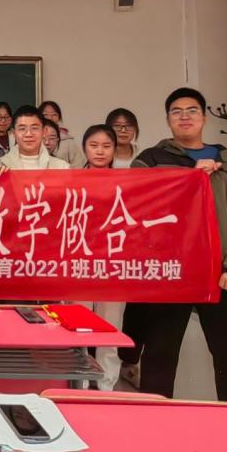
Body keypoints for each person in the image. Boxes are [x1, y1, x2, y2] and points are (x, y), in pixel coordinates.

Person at [132, 87, 227, 409]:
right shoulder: (150, 160)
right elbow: (138, 206)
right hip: (170, 274)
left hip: (223, 275)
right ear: (168, 120)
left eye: (192, 110)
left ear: (203, 118)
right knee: (158, 360)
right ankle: (151, 426)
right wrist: (189, 178)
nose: (184, 116)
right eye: (176, 111)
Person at [80, 124, 124, 390]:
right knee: (79, 322)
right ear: (84, 148)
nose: (100, 151)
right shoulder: (69, 178)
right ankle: (81, 379)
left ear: (115, 150)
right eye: (94, 145)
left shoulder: (128, 182)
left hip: (113, 261)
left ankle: (107, 382)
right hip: (78, 260)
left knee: (110, 324)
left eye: (106, 146)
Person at [104, 107, 143, 385]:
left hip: (133, 241)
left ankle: (114, 375)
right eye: (117, 125)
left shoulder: (145, 160)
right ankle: (86, 376)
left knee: (122, 315)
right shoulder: (90, 167)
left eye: (128, 125)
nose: (123, 130)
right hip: (100, 246)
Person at [0, 106, 70, 170]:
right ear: (14, 133)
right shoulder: (1, 165)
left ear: (43, 131)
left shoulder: (61, 167)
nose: (28, 134)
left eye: (34, 128)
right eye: (22, 129)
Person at [39, 100, 85, 167]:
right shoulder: (32, 138)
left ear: (59, 118)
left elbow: (78, 165)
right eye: (45, 114)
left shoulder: (68, 141)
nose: (50, 118)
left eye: (54, 115)